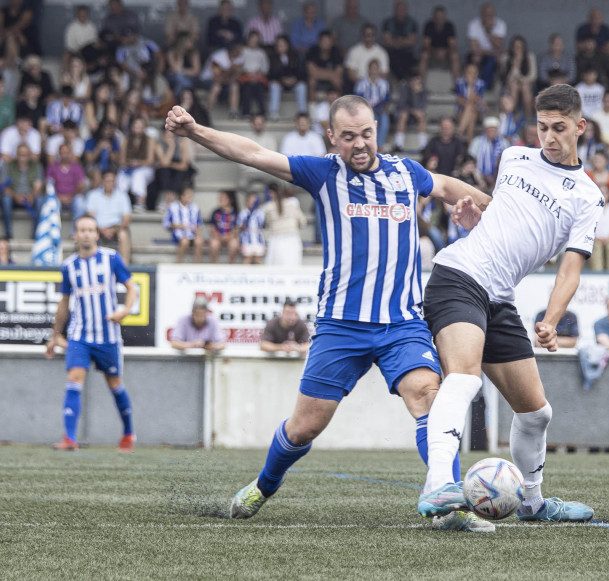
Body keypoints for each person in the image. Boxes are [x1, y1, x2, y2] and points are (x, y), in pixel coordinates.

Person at [165, 94, 492, 531]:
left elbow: (449, 187)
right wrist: (195, 131)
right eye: (349, 137)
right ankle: (264, 484)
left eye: (367, 134)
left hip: (402, 323)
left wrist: (494, 210)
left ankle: (450, 506)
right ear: (332, 137)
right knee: (304, 428)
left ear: (377, 129)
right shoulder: (323, 173)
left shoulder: (404, 172)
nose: (360, 145)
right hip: (342, 326)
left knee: (430, 398)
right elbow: (254, 153)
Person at [416, 84, 602, 525]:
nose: (549, 137)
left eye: (559, 128)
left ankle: (533, 505)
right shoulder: (513, 156)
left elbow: (570, 269)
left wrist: (552, 320)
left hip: (500, 299)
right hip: (458, 278)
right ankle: (439, 482)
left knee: (537, 413)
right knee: (462, 379)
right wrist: (475, 217)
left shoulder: (587, 197)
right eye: (542, 127)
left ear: (581, 127)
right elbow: (505, 212)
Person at [44, 215, 137, 452]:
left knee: (115, 384)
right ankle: (70, 439)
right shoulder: (68, 266)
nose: (86, 233)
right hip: (79, 335)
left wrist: (124, 311)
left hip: (108, 336)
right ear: (75, 235)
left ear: (97, 234)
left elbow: (131, 287)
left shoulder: (111, 258)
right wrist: (55, 335)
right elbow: (64, 303)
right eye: (81, 230)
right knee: (74, 380)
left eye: (90, 229)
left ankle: (128, 434)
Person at [85, 169, 132, 264]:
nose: (110, 184)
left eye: (112, 181)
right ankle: (89, 263)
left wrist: (113, 230)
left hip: (116, 229)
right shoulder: (92, 195)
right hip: (97, 228)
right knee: (87, 233)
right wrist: (100, 229)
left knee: (123, 234)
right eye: (107, 181)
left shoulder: (123, 196)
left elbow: (126, 219)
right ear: (102, 182)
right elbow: (89, 217)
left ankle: (124, 266)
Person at [0, 142, 44, 238]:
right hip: (13, 197)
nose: (22, 157)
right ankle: (8, 234)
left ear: (29, 155)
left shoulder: (36, 166)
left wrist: (32, 196)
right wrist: (16, 196)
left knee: (40, 199)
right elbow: (3, 186)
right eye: (20, 154)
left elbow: (38, 186)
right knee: (5, 199)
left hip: (29, 198)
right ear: (16, 155)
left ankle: (35, 234)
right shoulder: (7, 165)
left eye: (25, 154)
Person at [117, 116, 157, 212]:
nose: (138, 128)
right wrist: (129, 163)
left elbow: (150, 161)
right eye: (136, 126)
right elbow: (121, 160)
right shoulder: (126, 139)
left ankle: (140, 203)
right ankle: (120, 204)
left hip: (145, 168)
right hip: (128, 168)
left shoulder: (150, 140)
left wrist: (138, 163)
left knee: (138, 175)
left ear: (144, 128)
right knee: (121, 178)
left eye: (140, 126)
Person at [263, 183, 307, 266]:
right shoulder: (292, 204)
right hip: (291, 239)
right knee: (292, 267)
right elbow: (302, 221)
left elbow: (268, 224)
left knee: (275, 269)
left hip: (277, 240)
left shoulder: (268, 207)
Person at [466, 3, 506, 89]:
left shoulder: (500, 24)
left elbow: (499, 45)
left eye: (490, 14)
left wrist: (488, 32)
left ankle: (500, 86)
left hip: (493, 55)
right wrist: (493, 52)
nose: (488, 17)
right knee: (476, 57)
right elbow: (474, 48)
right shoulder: (473, 24)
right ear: (481, 14)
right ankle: (472, 84)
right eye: (486, 14)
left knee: (500, 59)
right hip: (480, 54)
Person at [269, 35, 309, 120]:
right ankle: (274, 112)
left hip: (294, 82)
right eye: (278, 45)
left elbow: (301, 72)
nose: (280, 47)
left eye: (282, 45)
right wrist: (281, 80)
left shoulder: (295, 56)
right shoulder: (272, 57)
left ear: (287, 45)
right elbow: (271, 74)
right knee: (274, 85)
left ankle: (302, 113)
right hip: (280, 83)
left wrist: (295, 79)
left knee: (302, 86)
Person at [354, 59, 391, 150]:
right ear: (368, 70)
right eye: (372, 68)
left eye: (376, 68)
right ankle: (372, 144)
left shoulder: (384, 83)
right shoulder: (361, 83)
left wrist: (381, 108)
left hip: (380, 109)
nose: (374, 71)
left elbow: (386, 99)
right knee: (372, 117)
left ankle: (379, 145)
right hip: (366, 109)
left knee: (385, 118)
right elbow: (358, 100)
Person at [46, 143, 88, 219]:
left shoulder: (77, 167)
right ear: (59, 154)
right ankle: (55, 230)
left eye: (67, 152)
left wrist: (70, 196)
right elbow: (49, 185)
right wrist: (59, 196)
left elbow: (80, 186)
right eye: (62, 152)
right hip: (57, 197)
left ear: (71, 153)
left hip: (73, 197)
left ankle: (76, 230)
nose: (65, 155)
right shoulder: (52, 167)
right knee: (52, 203)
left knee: (80, 202)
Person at [420, 5, 460, 82]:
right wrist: (436, 51)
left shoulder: (449, 26)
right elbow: (426, 45)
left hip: (447, 53)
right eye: (437, 16)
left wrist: (444, 51)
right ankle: (422, 84)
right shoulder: (429, 25)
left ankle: (457, 84)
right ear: (433, 17)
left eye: (441, 17)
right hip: (432, 52)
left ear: (445, 17)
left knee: (455, 56)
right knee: (424, 55)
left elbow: (453, 45)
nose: (439, 19)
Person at [381, 1, 418, 82]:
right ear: (395, 10)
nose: (400, 11)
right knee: (392, 59)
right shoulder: (388, 22)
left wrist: (397, 41)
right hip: (392, 52)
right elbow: (387, 41)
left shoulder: (411, 22)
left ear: (406, 10)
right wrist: (403, 41)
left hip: (407, 52)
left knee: (410, 61)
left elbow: (412, 41)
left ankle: (405, 82)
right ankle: (402, 80)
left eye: (403, 9)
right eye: (399, 9)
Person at [468, 115, 509, 188]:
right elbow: (471, 158)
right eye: (489, 129)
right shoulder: (477, 141)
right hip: (480, 173)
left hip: (499, 172)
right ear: (485, 130)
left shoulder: (504, 142)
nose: (491, 132)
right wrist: (484, 174)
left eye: (494, 130)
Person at [393, 72, 428, 153]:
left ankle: (423, 146)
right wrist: (412, 110)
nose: (417, 83)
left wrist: (416, 93)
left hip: (415, 116)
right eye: (414, 81)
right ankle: (399, 144)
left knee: (421, 115)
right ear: (410, 82)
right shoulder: (404, 88)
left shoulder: (424, 90)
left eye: (418, 81)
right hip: (402, 115)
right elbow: (401, 105)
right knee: (403, 115)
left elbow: (422, 107)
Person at [238, 31, 270, 119]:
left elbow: (265, 68)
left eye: (256, 41)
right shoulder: (242, 51)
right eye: (252, 40)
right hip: (245, 76)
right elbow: (238, 64)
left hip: (259, 77)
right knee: (247, 88)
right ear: (248, 40)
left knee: (260, 88)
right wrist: (248, 72)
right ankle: (245, 113)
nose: (254, 42)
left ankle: (263, 113)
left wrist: (258, 73)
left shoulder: (261, 53)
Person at [454, 62, 487, 143]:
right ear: (465, 73)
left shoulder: (481, 84)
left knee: (471, 108)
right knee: (471, 114)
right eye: (469, 72)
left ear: (477, 74)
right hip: (461, 111)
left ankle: (459, 133)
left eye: (474, 72)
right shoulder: (459, 82)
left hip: (477, 110)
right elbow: (460, 100)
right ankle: (470, 147)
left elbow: (476, 100)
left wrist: (471, 86)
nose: (472, 75)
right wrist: (470, 102)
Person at [306, 30, 344, 98]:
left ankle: (338, 104)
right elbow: (312, 72)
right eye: (323, 41)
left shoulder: (337, 52)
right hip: (318, 80)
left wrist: (320, 72)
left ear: (332, 42)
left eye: (328, 41)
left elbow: (338, 72)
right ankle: (312, 106)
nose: (326, 43)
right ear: (319, 42)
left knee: (338, 80)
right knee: (311, 80)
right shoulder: (312, 51)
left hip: (331, 81)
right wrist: (330, 75)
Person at [209, 190, 241, 264]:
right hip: (217, 237)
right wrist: (218, 236)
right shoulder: (215, 212)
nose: (220, 200)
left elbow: (236, 228)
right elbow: (211, 227)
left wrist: (229, 236)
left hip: (230, 237)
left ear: (230, 200)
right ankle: (214, 264)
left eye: (223, 198)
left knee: (234, 244)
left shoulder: (235, 213)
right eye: (220, 198)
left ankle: (230, 264)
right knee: (214, 244)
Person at [238, 191, 266, 264]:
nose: (252, 203)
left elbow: (263, 224)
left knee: (258, 259)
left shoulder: (260, 212)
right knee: (247, 258)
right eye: (250, 201)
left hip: (258, 238)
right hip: (247, 238)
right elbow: (239, 225)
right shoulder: (243, 212)